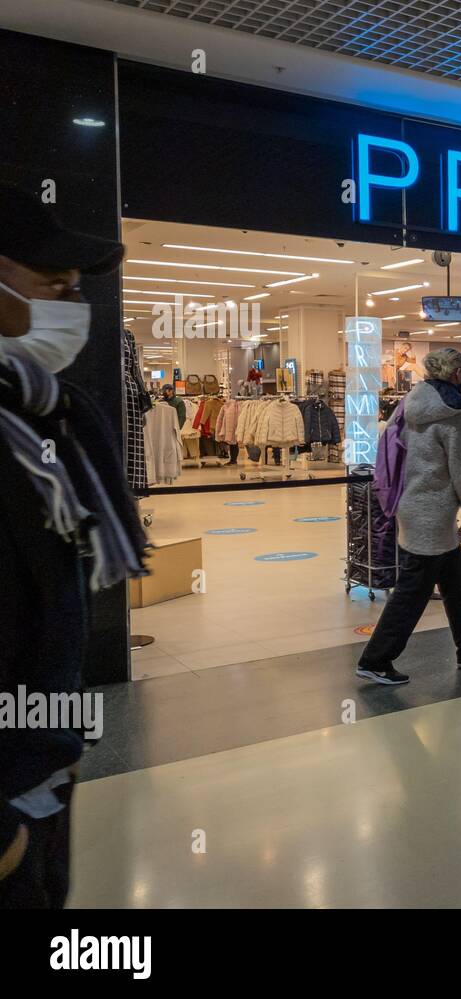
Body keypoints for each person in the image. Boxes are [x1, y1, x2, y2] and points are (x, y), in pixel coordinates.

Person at [1, 183, 147, 907]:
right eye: (50, 281)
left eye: (75, 285)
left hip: (40, 767)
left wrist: (58, 744)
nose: (70, 301)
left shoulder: (43, 416)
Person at [355, 348, 461, 685]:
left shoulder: (409, 404)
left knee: (456, 578)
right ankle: (375, 659)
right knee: (412, 590)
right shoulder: (456, 415)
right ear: (458, 374)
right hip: (434, 512)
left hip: (411, 504)